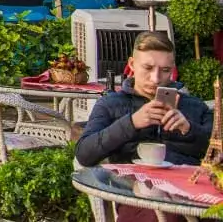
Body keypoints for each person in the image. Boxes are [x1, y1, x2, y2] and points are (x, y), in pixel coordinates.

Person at [76, 31, 211, 167]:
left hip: (186, 179)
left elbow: (217, 155)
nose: (155, 79)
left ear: (172, 69)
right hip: (127, 180)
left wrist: (189, 130)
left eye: (165, 70)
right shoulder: (110, 103)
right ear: (132, 64)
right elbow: (84, 155)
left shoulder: (196, 106)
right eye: (148, 68)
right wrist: (131, 123)